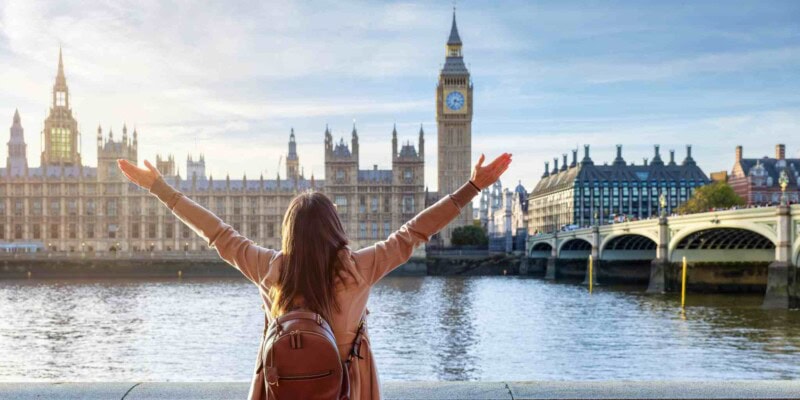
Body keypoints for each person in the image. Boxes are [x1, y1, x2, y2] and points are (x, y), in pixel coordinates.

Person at [117, 152, 511, 400]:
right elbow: (414, 232)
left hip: (282, 392)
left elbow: (218, 232)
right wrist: (472, 186)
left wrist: (161, 189)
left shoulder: (271, 270)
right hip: (347, 391)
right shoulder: (358, 269)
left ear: (289, 232)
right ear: (334, 228)